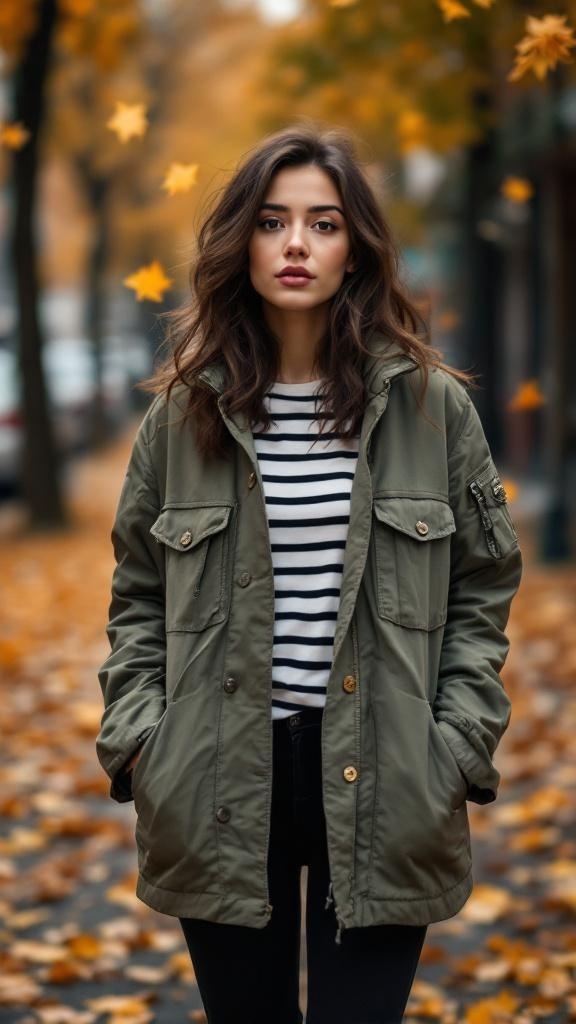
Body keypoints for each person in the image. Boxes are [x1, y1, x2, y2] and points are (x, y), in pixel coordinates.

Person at [96, 122, 523, 1024]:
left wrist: (456, 744)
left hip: (389, 773)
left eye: (324, 224)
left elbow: (484, 586)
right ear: (239, 242)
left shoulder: (430, 407)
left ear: (356, 249)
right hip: (216, 780)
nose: (296, 244)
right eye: (272, 221)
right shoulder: (181, 416)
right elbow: (136, 592)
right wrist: (142, 741)